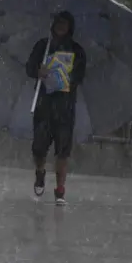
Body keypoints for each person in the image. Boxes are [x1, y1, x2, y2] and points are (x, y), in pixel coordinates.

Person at [25, 11, 86, 206]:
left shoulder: (77, 51)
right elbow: (29, 68)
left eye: (65, 23)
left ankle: (60, 189)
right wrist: (39, 71)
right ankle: (40, 172)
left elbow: (79, 76)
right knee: (39, 147)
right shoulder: (43, 46)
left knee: (63, 150)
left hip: (65, 107)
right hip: (44, 105)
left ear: (70, 26)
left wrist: (64, 78)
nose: (61, 26)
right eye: (58, 22)